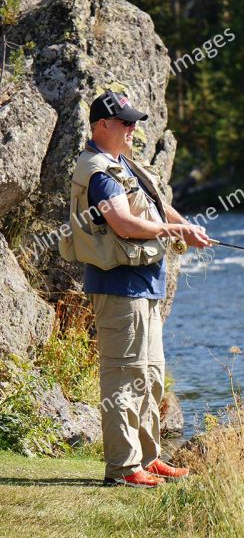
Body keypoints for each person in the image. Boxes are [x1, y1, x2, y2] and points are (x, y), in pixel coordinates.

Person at [69, 90, 212, 488]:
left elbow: (156, 206)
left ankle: (148, 459)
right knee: (122, 378)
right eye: (126, 122)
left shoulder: (122, 165)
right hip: (118, 289)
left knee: (149, 377)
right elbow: (123, 223)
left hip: (144, 286)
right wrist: (173, 231)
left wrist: (187, 227)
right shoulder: (97, 171)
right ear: (102, 126)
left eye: (134, 122)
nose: (133, 129)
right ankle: (123, 468)